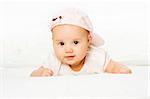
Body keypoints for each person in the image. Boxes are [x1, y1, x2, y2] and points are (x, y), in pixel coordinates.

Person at [30, 8, 132, 77]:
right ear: (52, 42)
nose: (68, 50)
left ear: (89, 40)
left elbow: (112, 66)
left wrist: (118, 69)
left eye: (75, 42)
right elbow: (34, 73)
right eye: (61, 44)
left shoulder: (96, 56)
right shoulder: (53, 60)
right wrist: (41, 73)